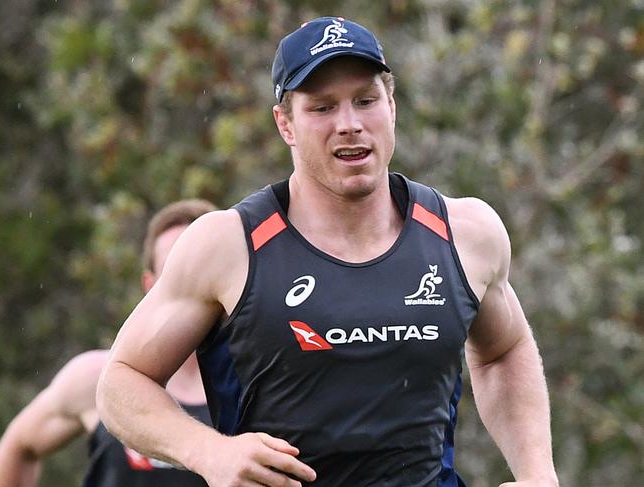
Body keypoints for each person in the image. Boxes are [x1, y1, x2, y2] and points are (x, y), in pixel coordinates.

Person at [96, 17, 559, 487]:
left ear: (391, 106)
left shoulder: (464, 233)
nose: (350, 125)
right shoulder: (228, 246)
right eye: (322, 108)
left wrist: (538, 474)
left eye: (365, 100)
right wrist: (209, 452)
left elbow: (504, 352)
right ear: (286, 124)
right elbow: (121, 383)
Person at [0, 199, 216, 487]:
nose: (191, 283)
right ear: (150, 286)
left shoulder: (255, 385)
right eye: (176, 271)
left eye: (201, 267)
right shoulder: (96, 377)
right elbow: (19, 445)